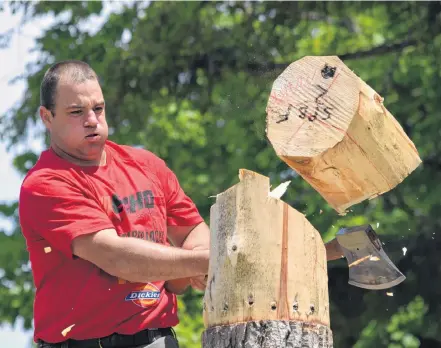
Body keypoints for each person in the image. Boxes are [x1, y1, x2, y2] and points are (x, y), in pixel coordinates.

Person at [19, 60, 210, 348]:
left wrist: (195, 265)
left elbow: (192, 229)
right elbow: (117, 258)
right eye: (76, 112)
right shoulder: (45, 184)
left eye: (98, 108)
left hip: (156, 339)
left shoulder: (147, 165)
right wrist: (204, 262)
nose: (92, 120)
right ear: (47, 117)